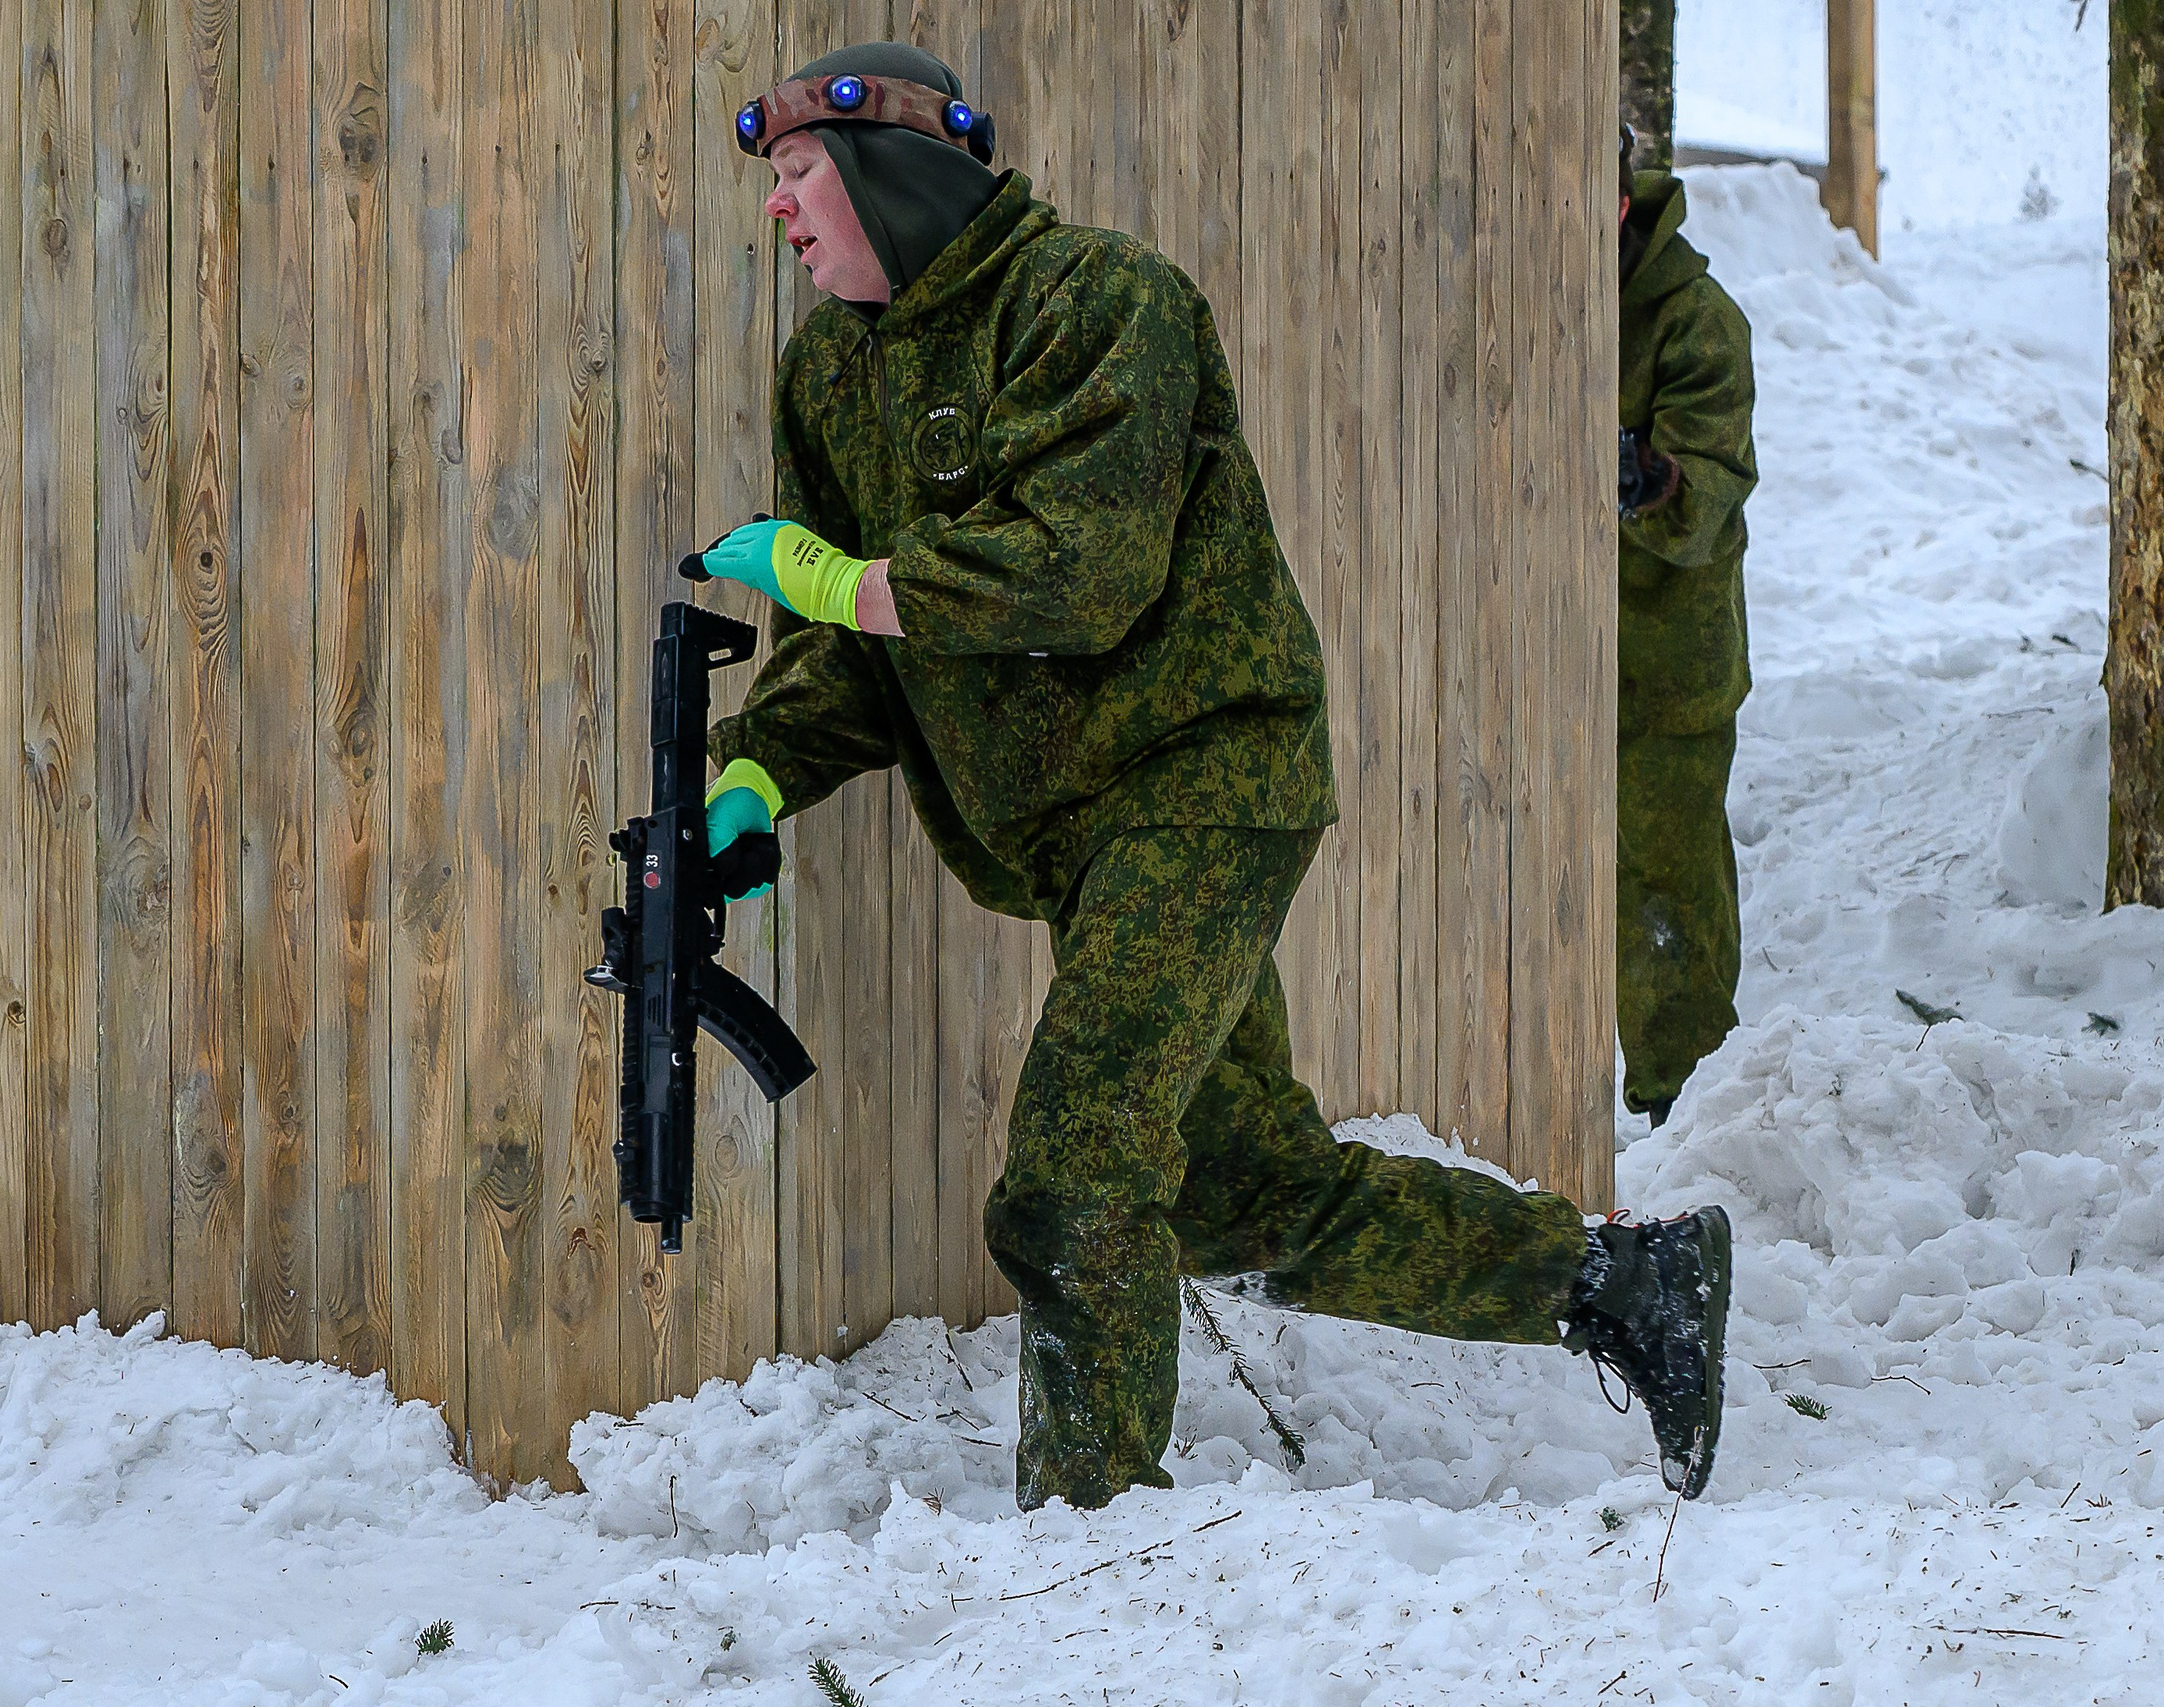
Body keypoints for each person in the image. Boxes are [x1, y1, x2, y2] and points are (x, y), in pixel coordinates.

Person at [693, 41, 1734, 1509]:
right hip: (1080, 832)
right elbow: (852, 644)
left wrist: (844, 578)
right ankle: (1631, 1285)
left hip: (1201, 779)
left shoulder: (1100, 303)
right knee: (1249, 1186)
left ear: (896, 171)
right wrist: (754, 782)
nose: (781, 210)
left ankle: (1085, 1536)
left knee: (1073, 1167)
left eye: (799, 174)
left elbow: (1083, 569)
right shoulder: (832, 374)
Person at [1616, 124, 1758, 1129]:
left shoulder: (1699, 323)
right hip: (1555, 658)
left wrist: (1647, 479)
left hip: (1667, 665)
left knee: (1666, 890)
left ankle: (1688, 1111)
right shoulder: (1542, 294)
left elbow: (1705, 496)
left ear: (1619, 203)